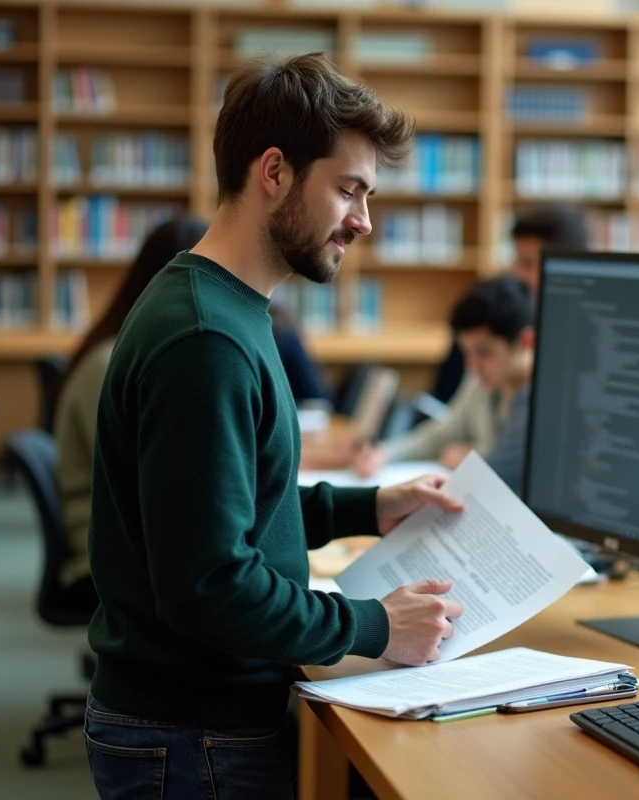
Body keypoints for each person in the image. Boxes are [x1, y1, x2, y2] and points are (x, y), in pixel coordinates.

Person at [82, 53, 466, 800]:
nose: (364, 221)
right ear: (275, 172)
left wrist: (368, 507)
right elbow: (211, 585)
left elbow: (237, 511)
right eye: (349, 190)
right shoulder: (206, 341)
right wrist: (376, 626)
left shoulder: (222, 305)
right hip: (191, 736)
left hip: (195, 723)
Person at [54, 217, 207, 615]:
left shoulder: (133, 349)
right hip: (110, 550)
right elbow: (151, 482)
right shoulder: (112, 362)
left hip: (132, 536)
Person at [354, 275, 536, 491]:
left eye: (484, 352)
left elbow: (503, 473)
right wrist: (383, 454)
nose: (472, 366)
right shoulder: (482, 380)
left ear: (526, 341)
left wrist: (470, 457)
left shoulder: (539, 398)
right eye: (466, 353)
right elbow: (443, 435)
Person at [430, 204, 587, 402]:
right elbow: (444, 398)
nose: (516, 273)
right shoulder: (490, 317)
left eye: (528, 264)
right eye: (516, 261)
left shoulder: (580, 346)